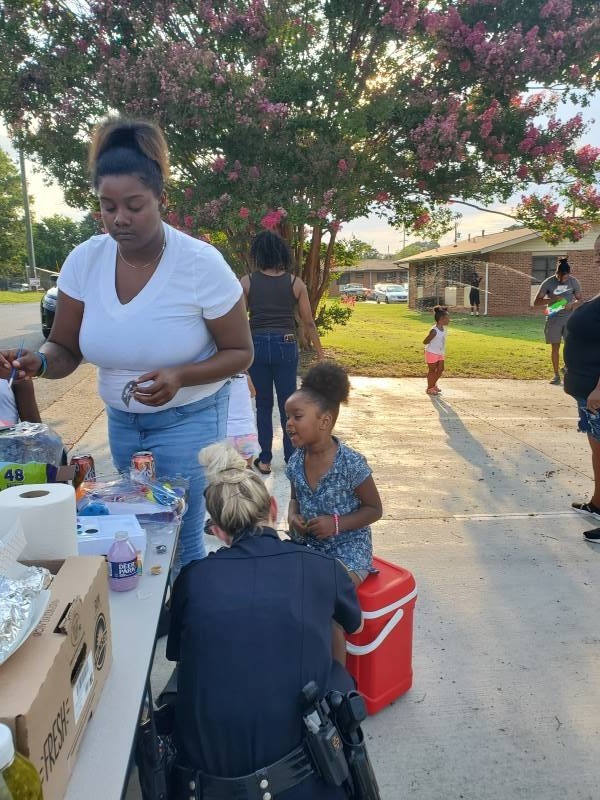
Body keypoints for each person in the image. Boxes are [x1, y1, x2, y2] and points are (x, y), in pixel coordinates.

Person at [0, 117, 253, 566]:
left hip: (189, 419)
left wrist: (181, 375)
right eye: (107, 206)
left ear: (161, 199)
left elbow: (240, 353)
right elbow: (65, 349)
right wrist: (37, 364)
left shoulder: (199, 263)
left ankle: (185, 630)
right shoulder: (84, 261)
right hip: (123, 422)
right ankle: (152, 627)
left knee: (180, 537)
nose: (120, 218)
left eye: (134, 205)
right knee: (137, 528)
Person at [167, 442, 362, 800]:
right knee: (334, 659)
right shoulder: (322, 569)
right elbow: (352, 625)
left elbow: (181, 657)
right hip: (306, 780)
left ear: (218, 530)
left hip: (205, 784)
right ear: (273, 508)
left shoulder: (193, 580)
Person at [285, 361, 382, 664]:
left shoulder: (351, 464)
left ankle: (335, 687)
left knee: (325, 600)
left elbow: (374, 510)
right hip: (310, 548)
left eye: (297, 417)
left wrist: (336, 524)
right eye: (287, 416)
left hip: (348, 551)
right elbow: (295, 501)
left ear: (324, 421)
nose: (288, 423)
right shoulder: (294, 462)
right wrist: (292, 518)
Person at [240, 230, 324, 475]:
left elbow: (240, 321)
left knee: (263, 405)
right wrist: (320, 354)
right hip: (286, 343)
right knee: (290, 405)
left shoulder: (247, 282)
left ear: (258, 254)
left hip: (256, 345)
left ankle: (264, 459)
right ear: (282, 254)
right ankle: (292, 458)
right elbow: (308, 322)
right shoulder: (295, 282)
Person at [563, 235, 600, 542]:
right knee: (596, 449)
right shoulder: (593, 293)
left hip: (595, 391)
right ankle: (598, 503)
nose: (597, 260)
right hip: (585, 389)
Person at [534, 256, 582, 385]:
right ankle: (556, 375)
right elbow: (536, 302)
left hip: (569, 318)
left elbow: (580, 299)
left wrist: (572, 304)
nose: (562, 280)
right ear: (556, 273)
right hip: (553, 316)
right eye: (560, 277)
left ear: (569, 274)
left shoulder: (574, 282)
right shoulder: (548, 282)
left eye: (565, 277)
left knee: (570, 346)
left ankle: (566, 368)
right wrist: (553, 300)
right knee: (555, 347)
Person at [226, 372, 258, 467]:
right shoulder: (245, 378)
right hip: (247, 432)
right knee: (247, 469)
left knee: (229, 469)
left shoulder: (220, 382)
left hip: (228, 433)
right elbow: (253, 393)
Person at [423, 305, 450, 396]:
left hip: (440, 352)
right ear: (441, 319)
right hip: (431, 352)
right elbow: (425, 341)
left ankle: (433, 384)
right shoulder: (434, 331)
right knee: (432, 370)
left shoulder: (444, 328)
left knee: (441, 369)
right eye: (447, 318)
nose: (449, 320)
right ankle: (429, 388)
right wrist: (431, 339)